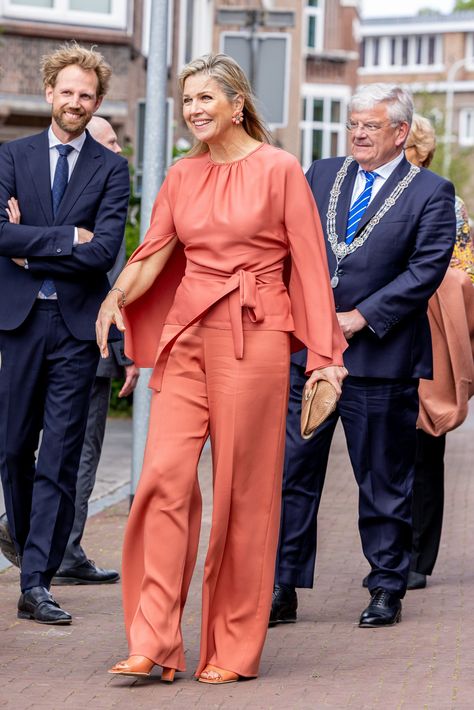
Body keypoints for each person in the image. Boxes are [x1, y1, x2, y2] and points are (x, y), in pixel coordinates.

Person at [96, 53, 347, 684]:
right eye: (186, 100)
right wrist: (115, 297)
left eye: (206, 97)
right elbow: (153, 251)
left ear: (238, 104)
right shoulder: (182, 175)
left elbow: (312, 265)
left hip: (255, 334)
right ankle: (154, 640)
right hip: (188, 334)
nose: (194, 109)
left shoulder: (279, 169)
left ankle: (232, 648)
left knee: (244, 492)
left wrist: (324, 358)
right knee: (162, 480)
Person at [271, 84, 456, 629]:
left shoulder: (431, 191)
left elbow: (426, 269)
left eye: (370, 126)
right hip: (310, 356)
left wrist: (362, 316)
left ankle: (385, 586)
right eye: (353, 124)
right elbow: (289, 243)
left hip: (381, 361)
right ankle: (283, 585)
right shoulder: (321, 174)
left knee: (381, 479)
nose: (357, 133)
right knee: (293, 475)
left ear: (400, 133)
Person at [0, 42, 130, 624]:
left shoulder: (111, 168)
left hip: (78, 331)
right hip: (21, 324)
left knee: (58, 455)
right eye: (67, 91)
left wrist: (34, 245)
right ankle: (33, 546)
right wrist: (64, 240)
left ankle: (36, 582)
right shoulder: (12, 155)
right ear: (50, 92)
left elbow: (103, 249)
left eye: (87, 95)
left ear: (96, 101)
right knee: (11, 449)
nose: (76, 102)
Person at [402, 114, 474, 589]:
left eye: (408, 149)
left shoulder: (449, 203)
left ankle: (418, 558)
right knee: (388, 449)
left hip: (431, 335)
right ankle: (391, 549)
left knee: (427, 444)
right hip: (385, 331)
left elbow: (466, 275)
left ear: (421, 152)